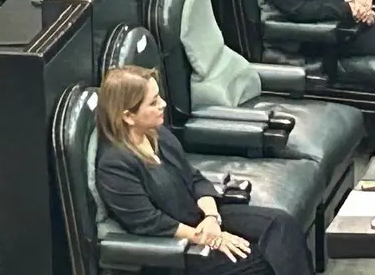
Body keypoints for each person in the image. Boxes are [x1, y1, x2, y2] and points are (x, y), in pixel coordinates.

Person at [94, 66, 314, 275]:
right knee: (260, 261)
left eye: (159, 96)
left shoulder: (158, 135)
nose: (163, 104)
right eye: (153, 102)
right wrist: (207, 237)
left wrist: (211, 216)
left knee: (281, 224)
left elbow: (194, 178)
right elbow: (149, 222)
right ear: (127, 116)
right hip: (176, 246)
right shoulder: (114, 165)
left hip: (200, 219)